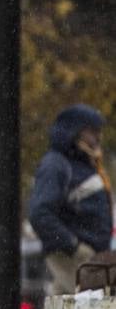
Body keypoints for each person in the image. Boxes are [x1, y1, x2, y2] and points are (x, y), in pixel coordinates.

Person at [28, 105, 113, 295]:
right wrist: (72, 245)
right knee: (88, 308)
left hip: (88, 256)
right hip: (73, 256)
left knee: (69, 308)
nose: (97, 138)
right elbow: (40, 213)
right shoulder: (57, 164)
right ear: (74, 132)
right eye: (91, 132)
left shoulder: (83, 166)